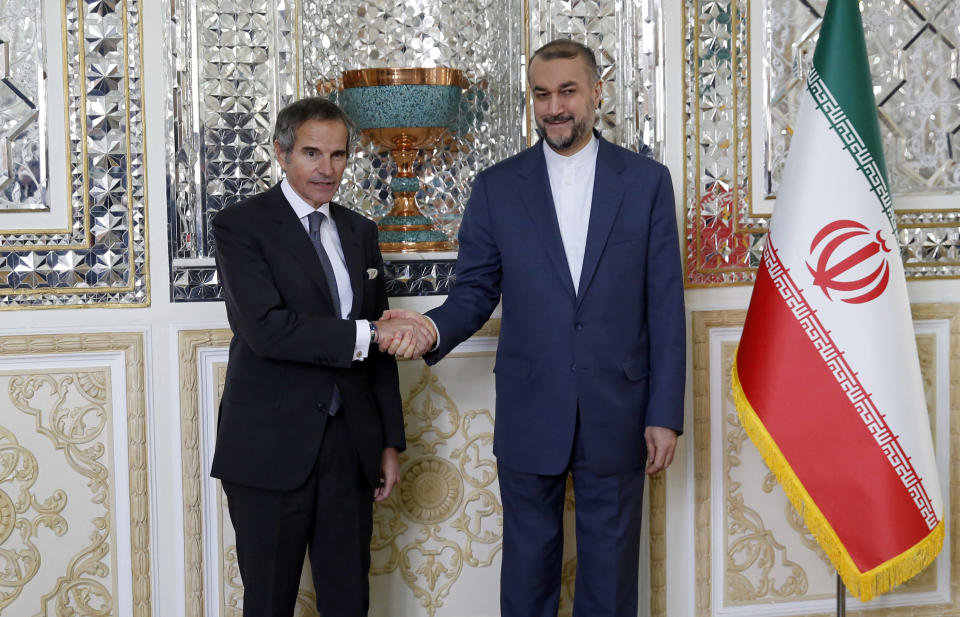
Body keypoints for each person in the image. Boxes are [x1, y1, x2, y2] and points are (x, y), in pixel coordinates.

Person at [383, 39, 686, 617]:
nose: (554, 107)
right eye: (541, 94)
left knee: (612, 577)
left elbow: (665, 305)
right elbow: (474, 291)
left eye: (568, 91)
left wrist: (664, 414)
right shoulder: (497, 188)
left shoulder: (647, 182)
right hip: (530, 406)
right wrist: (430, 328)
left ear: (597, 93)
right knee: (527, 575)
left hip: (619, 409)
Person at [210, 97, 426, 617]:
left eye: (338, 155)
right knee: (269, 603)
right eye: (312, 153)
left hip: (350, 450)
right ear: (282, 154)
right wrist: (368, 333)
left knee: (349, 600)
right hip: (268, 448)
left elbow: (378, 356)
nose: (327, 169)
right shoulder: (240, 226)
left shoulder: (360, 231)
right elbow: (267, 331)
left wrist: (388, 443)